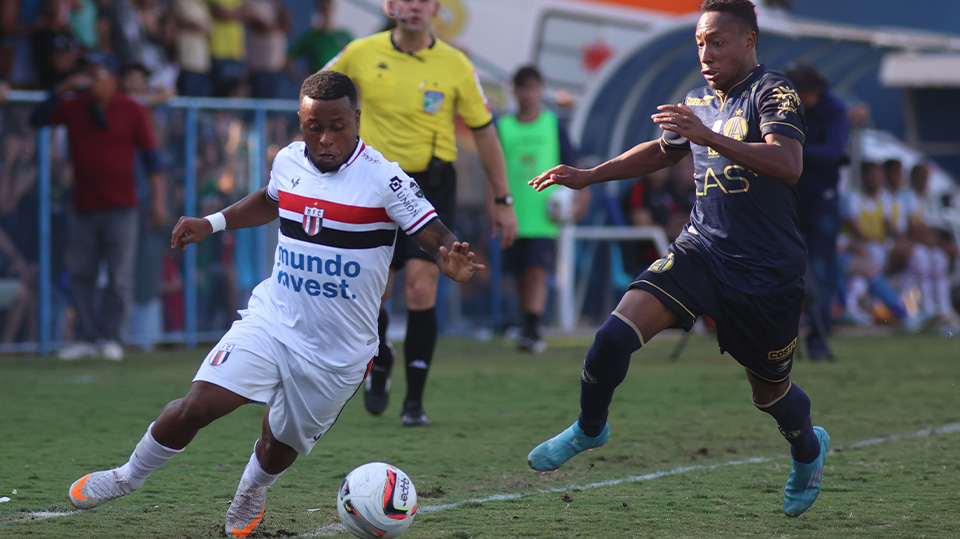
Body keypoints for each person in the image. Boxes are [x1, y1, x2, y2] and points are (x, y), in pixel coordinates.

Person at [65, 70, 485, 538]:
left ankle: (251, 491)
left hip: (339, 351)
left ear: (357, 120)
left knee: (279, 442)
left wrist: (449, 259)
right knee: (200, 404)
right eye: (313, 126)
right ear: (300, 121)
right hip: (273, 319)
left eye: (337, 126)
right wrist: (214, 222)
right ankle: (127, 476)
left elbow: (435, 234)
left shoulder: (385, 178)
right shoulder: (288, 160)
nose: (325, 139)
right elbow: (270, 201)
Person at [526, 0, 830, 518]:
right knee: (611, 339)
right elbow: (661, 151)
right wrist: (588, 174)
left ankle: (808, 450)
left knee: (772, 396)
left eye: (718, 41)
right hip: (701, 250)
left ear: (749, 41)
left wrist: (706, 136)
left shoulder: (772, 91)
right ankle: (589, 427)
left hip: (766, 272)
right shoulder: (699, 101)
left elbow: (789, 163)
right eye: (699, 42)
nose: (706, 53)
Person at [324, 0, 518, 426]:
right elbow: (316, 92)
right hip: (371, 184)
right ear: (391, 7)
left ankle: (414, 404)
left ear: (436, 9)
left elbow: (485, 133)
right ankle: (381, 357)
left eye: (424, 0)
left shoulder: (455, 64)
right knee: (373, 296)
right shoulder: (360, 53)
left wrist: (502, 200)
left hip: (430, 187)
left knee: (420, 288)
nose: (414, 7)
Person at [30, 52, 167, 360]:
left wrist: (158, 200)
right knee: (82, 274)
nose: (91, 81)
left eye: (98, 74)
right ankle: (85, 338)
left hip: (122, 207)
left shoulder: (131, 108)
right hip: (83, 206)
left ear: (112, 78)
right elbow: (36, 118)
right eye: (87, 74)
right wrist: (63, 88)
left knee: (119, 276)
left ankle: (113, 338)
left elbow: (152, 159)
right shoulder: (74, 107)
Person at [497, 65, 581, 353]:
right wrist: (493, 206)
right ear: (515, 91)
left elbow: (573, 165)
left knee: (536, 270)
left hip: (544, 213)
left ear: (540, 90)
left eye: (534, 88)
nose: (528, 94)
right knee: (520, 273)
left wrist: (578, 198)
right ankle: (528, 324)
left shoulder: (552, 124)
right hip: (513, 211)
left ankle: (533, 327)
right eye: (523, 88)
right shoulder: (503, 127)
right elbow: (492, 169)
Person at [783, 61, 848, 360]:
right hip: (790, 201)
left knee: (821, 275)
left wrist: (793, 150)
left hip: (821, 200)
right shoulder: (786, 107)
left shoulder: (833, 109)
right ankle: (783, 341)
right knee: (786, 273)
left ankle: (819, 340)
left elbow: (833, 153)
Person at [285, 0, 352, 78]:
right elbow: (288, 59)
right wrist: (299, 78)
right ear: (319, 11)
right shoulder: (312, 37)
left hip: (338, 84)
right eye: (323, 9)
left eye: (328, 8)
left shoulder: (345, 37)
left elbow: (354, 61)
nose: (327, 13)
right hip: (318, 85)